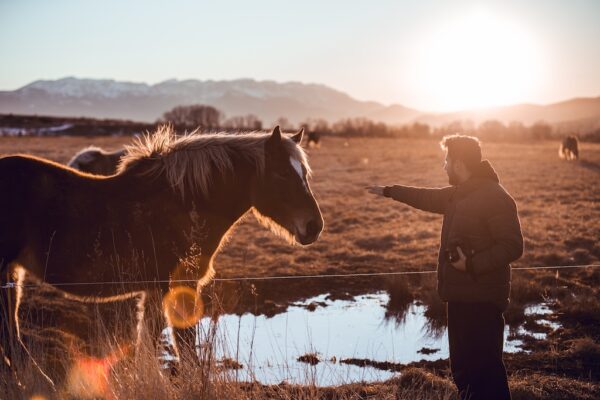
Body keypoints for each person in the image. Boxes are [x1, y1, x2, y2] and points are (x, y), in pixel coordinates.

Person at [367, 134, 523, 400]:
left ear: (460, 164)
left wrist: (471, 264)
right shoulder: (459, 195)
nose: (444, 166)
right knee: (464, 374)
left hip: (483, 303)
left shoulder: (495, 197)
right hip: (460, 298)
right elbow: (425, 198)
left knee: (487, 375)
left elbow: (513, 246)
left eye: (447, 160)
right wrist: (390, 191)